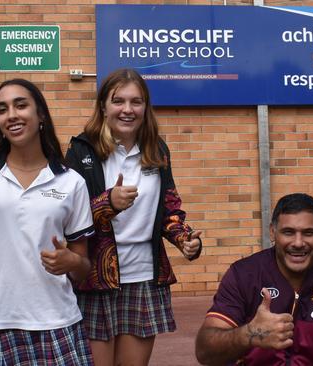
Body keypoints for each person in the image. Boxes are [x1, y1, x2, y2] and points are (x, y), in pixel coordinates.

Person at [0, 79, 95, 365]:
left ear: (41, 114)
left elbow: (83, 268)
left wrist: (71, 262)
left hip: (57, 323)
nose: (11, 114)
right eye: (2, 109)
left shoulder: (71, 181)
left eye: (21, 105)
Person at [65, 67, 203, 366]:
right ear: (103, 106)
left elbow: (170, 209)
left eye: (136, 102)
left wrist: (184, 239)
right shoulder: (81, 149)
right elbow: (66, 216)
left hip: (144, 276)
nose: (127, 109)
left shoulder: (156, 149)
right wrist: (107, 202)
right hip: (96, 278)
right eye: (118, 101)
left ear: (145, 107)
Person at [195, 193, 313, 366]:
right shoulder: (243, 275)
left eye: (308, 233)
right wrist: (250, 334)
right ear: (272, 232)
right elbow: (205, 353)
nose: (298, 242)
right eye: (288, 232)